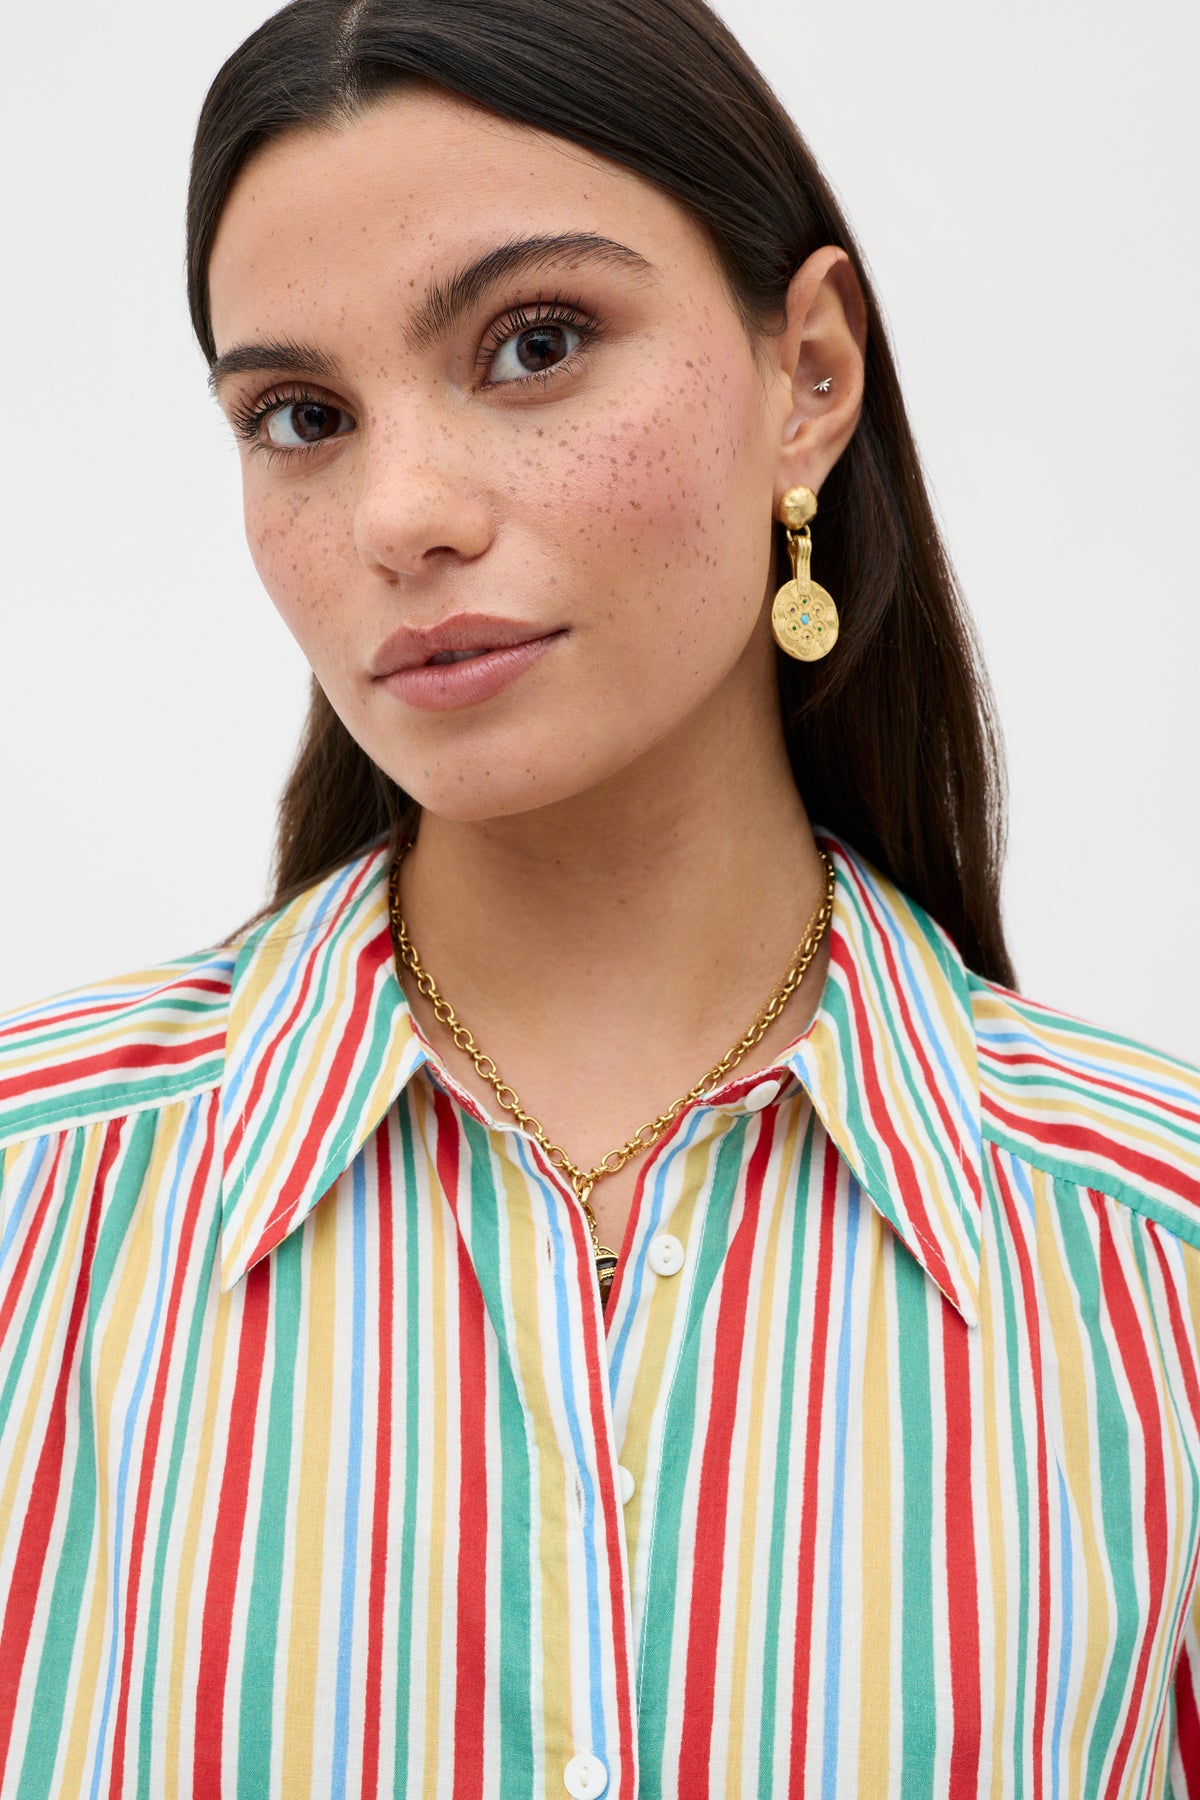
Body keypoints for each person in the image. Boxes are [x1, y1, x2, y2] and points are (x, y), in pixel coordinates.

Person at [1, 0, 1198, 1793]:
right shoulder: (33, 1208)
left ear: (810, 375)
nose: (401, 513)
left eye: (535, 343)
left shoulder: (1157, 1256)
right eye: (302, 416)